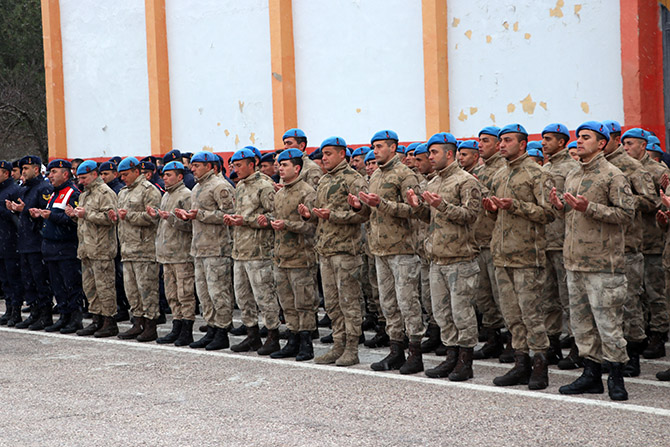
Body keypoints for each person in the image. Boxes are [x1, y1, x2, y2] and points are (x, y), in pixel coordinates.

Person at [551, 121, 634, 401]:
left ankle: (616, 377)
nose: (579, 142)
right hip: (575, 263)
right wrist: (560, 206)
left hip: (603, 264)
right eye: (578, 137)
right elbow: (572, 217)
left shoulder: (613, 175)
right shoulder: (574, 174)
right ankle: (591, 374)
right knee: (582, 324)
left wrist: (591, 207)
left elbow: (627, 214)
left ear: (601, 143)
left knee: (608, 325)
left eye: (586, 138)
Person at [483, 124, 555, 390]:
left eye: (508, 140)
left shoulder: (537, 173)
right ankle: (520, 362)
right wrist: (491, 209)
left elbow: (548, 213)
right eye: (500, 141)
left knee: (532, 313)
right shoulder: (501, 174)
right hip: (502, 255)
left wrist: (516, 206)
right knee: (512, 314)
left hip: (527, 255)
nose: (502, 145)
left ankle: (539, 364)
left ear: (523, 144)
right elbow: (497, 215)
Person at [407, 132, 482, 381]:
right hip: (437, 258)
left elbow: (471, 216)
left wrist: (442, 206)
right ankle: (451, 357)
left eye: (434, 152)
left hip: (460, 258)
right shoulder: (433, 183)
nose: (430, 157)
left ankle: (465, 361)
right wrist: (418, 207)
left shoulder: (466, 181)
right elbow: (429, 219)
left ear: (449, 154)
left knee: (462, 313)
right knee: (442, 313)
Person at [349, 130, 425, 374]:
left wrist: (382, 203)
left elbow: (415, 210)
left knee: (407, 302)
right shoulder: (376, 176)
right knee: (389, 303)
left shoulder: (405, 175)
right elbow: (370, 214)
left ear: (393, 148)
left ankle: (415, 353)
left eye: (380, 146)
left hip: (402, 248)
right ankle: (396, 351)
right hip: (380, 249)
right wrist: (360, 207)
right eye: (374, 147)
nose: (375, 151)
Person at [299, 136, 369, 366]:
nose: (324, 158)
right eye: (323, 154)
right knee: (332, 303)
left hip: (346, 250)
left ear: (342, 154)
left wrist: (335, 216)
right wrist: (309, 215)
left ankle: (351, 348)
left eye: (329, 153)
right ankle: (338, 344)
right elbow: (320, 213)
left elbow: (365, 214)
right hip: (326, 249)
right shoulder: (325, 181)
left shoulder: (354, 179)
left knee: (349, 301)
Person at [602, 125, 656, 377]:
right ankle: (610, 354)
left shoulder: (633, 168)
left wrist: (622, 198)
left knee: (629, 303)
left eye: (624, 142)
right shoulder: (599, 166)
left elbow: (650, 201)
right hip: (603, 247)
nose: (623, 147)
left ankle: (632, 354)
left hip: (628, 245)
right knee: (606, 305)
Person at [175, 151, 236, 350]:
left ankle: (222, 330)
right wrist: (188, 216)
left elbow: (229, 214)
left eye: (197, 165)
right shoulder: (197, 188)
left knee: (218, 292)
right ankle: (211, 328)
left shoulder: (220, 186)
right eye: (192, 165)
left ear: (210, 166)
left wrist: (200, 214)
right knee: (204, 294)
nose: (192, 169)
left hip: (217, 247)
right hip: (200, 248)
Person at [224, 148, 279, 355]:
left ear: (251, 164)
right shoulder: (239, 187)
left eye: (239, 165)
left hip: (259, 251)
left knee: (264, 296)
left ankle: (273, 336)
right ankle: (252, 335)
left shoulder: (264, 186)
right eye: (233, 166)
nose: (235, 169)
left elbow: (273, 216)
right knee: (243, 296)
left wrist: (245, 221)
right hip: (240, 250)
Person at [621, 127, 670, 360]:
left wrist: (629, 199)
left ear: (643, 145)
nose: (626, 148)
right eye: (624, 143)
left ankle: (658, 334)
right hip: (632, 240)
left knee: (655, 292)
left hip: (653, 240)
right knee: (635, 293)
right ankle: (639, 335)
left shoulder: (657, 170)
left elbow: (659, 204)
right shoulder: (623, 168)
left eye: (630, 143)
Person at [265, 149, 317, 361]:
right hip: (281, 256)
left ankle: (306, 343)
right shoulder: (279, 194)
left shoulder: (307, 192)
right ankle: (292, 339)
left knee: (303, 302)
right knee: (287, 302)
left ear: (297, 168)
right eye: (279, 164)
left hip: (300, 256)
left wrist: (288, 225)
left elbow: (313, 226)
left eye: (285, 165)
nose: (280, 168)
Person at [540, 123, 578, 367]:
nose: (543, 143)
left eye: (549, 139)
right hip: (544, 241)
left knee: (570, 299)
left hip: (563, 240)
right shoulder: (545, 167)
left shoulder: (572, 168)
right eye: (542, 139)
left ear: (562, 142)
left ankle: (578, 347)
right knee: (548, 298)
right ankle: (552, 344)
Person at [67, 160, 119, 337]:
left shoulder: (105, 193)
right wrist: (75, 216)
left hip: (101, 248)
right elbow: (85, 221)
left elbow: (111, 218)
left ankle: (109, 321)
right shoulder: (85, 195)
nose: (81, 181)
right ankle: (96, 319)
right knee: (90, 287)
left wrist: (86, 214)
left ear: (94, 175)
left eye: (84, 177)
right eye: (79, 178)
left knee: (105, 287)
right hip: (87, 248)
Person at [112, 157, 162, 342]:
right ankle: (138, 322)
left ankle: (150, 325)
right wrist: (116, 216)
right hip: (127, 248)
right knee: (132, 291)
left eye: (125, 174)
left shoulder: (149, 190)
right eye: (121, 175)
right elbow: (121, 217)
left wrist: (130, 216)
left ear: (136, 171)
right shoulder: (123, 192)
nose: (123, 178)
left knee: (147, 289)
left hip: (144, 249)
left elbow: (154, 217)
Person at [149, 161, 196, 346]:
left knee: (185, 294)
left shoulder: (186, 195)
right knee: (172, 294)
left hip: (181, 253)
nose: (165, 178)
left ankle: (187, 330)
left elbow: (190, 224)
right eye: (164, 175)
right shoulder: (166, 195)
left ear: (179, 176)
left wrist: (172, 218)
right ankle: (176, 326)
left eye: (169, 175)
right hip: (167, 253)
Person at [472, 126, 508, 361]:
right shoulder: (478, 171)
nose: (480, 145)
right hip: (478, 241)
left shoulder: (504, 170)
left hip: (497, 242)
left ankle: (512, 341)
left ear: (497, 144)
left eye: (486, 141)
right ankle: (493, 337)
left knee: (502, 296)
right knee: (483, 296)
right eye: (479, 141)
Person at [36, 159, 85, 333]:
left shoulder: (72, 193)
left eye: (53, 172)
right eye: (49, 172)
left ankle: (75, 318)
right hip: (51, 248)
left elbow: (74, 221)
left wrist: (52, 217)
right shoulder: (54, 193)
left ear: (65, 174)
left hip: (66, 247)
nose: (50, 176)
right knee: (58, 286)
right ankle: (64, 315)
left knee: (71, 285)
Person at [7, 155, 54, 330]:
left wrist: (24, 210)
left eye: (26, 169)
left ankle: (45, 314)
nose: (23, 173)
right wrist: (15, 210)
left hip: (37, 242)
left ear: (36, 169)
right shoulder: (24, 189)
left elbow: (45, 212)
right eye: (22, 169)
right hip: (25, 242)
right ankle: (35, 312)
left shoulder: (43, 188)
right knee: (28, 280)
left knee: (40, 280)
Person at [99, 160, 129, 322]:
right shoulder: (104, 191)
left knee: (120, 276)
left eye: (106, 174)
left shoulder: (119, 190)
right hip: (109, 239)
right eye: (101, 174)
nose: (103, 177)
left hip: (119, 238)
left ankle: (123, 307)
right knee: (113, 277)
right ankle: (118, 306)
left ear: (114, 174)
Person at [0, 160, 24, 326]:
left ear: (6, 173)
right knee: (4, 279)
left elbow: (19, 217)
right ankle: (9, 308)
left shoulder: (14, 190)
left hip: (11, 241)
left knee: (13, 277)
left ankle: (16, 310)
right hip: (1, 241)